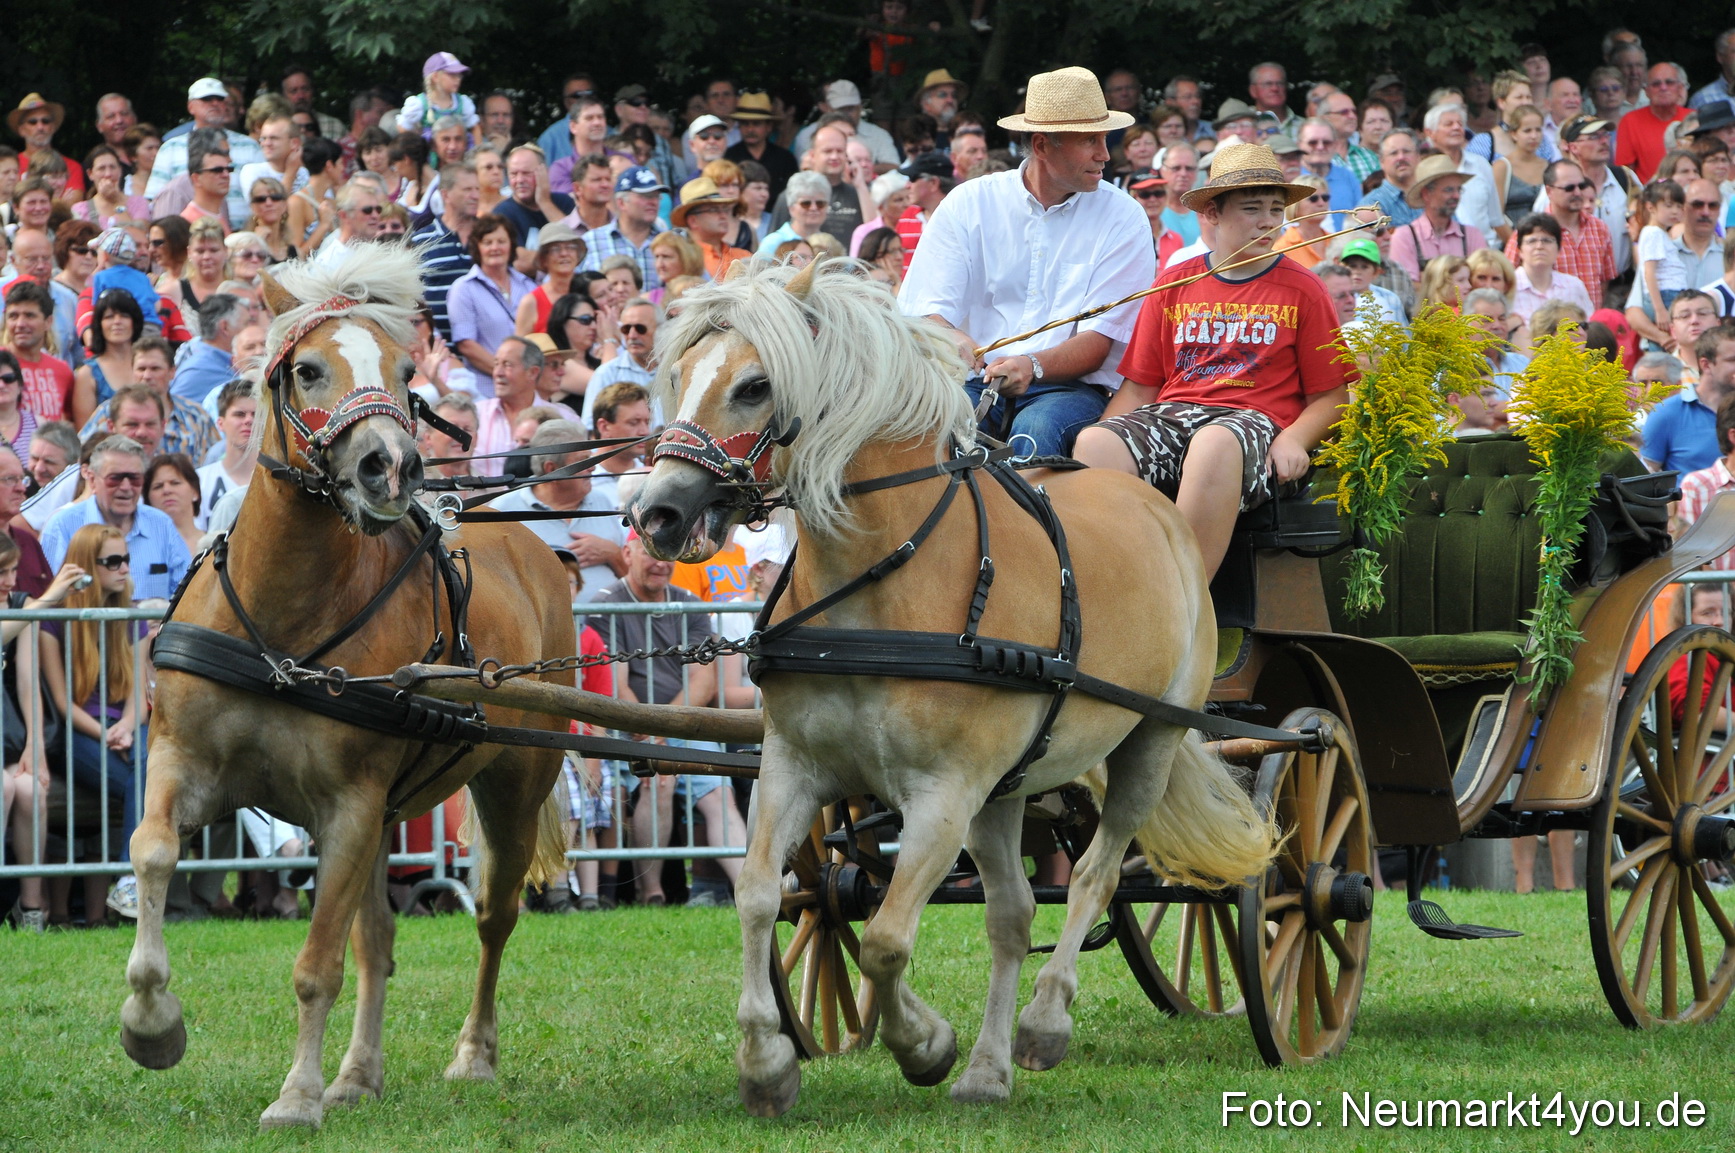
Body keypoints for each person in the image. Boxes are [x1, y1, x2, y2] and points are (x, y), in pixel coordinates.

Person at [1072, 141, 1354, 581]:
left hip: (1255, 423)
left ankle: (1181, 599)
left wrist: (1295, 439)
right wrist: (1104, 432)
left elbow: (1333, 396)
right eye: (1252, 208)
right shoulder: (1173, 283)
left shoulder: (1304, 289)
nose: (1267, 221)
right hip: (1175, 414)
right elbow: (1141, 387)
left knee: (1215, 443)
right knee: (1094, 443)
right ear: (1212, 214)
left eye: (1276, 210)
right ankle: (1105, 586)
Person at [899, 67, 1155, 458]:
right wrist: (959, 342)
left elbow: (1097, 344)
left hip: (1076, 389)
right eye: (1090, 140)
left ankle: (1039, 521)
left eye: (1104, 139)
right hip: (973, 382)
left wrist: (1030, 365)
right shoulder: (968, 203)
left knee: (1036, 432)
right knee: (929, 432)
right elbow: (927, 314)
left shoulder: (1124, 216)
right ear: (1041, 145)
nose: (1105, 154)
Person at [586, 534, 724, 907]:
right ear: (627, 554)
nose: (661, 562)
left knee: (720, 793)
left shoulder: (690, 603)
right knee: (658, 781)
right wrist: (648, 728)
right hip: (624, 725)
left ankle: (750, 887)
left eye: (669, 555)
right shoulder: (605, 604)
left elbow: (704, 679)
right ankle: (654, 893)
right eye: (651, 553)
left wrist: (667, 725)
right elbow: (614, 684)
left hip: (680, 722)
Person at [38, 522, 152, 917]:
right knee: (145, 787)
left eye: (127, 559)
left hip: (128, 726)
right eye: (114, 561)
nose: (124, 568)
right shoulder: (54, 619)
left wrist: (127, 726)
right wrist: (107, 733)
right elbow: (62, 702)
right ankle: (130, 878)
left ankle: (128, 881)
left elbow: (139, 692)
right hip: (79, 732)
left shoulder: (131, 615)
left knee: (150, 764)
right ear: (88, 565)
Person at [40, 433, 189, 601]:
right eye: (115, 479)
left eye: (135, 478)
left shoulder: (161, 524)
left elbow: (187, 592)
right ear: (92, 479)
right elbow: (47, 599)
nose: (126, 487)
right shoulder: (63, 525)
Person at [488, 419, 625, 598]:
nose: (593, 467)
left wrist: (613, 554)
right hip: (540, 625)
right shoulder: (503, 511)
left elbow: (632, 579)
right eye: (582, 462)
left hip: (609, 625)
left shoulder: (602, 501)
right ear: (552, 469)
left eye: (590, 459)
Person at [1504, 158, 1619, 306]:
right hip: (1548, 323)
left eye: (1582, 186)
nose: (1578, 192)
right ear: (1549, 191)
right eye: (1569, 188)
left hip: (1589, 323)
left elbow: (1604, 281)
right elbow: (1508, 279)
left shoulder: (1600, 229)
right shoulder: (1530, 233)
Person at [1626, 179, 1724, 347]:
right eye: (1697, 205)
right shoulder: (1663, 252)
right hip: (1667, 351)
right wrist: (1664, 339)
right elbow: (1634, 313)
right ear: (1685, 208)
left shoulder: (1728, 258)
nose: (1705, 212)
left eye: (1713, 206)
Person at [448, 215, 533, 379]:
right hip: (486, 388)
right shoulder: (463, 288)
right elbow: (466, 345)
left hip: (528, 384)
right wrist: (507, 374)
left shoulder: (528, 285)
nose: (495, 247)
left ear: (511, 245)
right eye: (488, 242)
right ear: (477, 247)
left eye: (501, 241)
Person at [1644, 324, 1735, 474]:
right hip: (1691, 495)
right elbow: (1646, 475)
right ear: (1706, 365)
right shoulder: (1666, 412)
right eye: (1732, 360)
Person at [1388, 155, 1483, 284]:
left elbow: (1481, 281)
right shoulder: (1405, 237)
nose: (1456, 196)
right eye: (1448, 190)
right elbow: (1407, 289)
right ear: (1426, 194)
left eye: (1459, 189)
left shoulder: (1472, 235)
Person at [577, 166, 669, 293]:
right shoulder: (590, 241)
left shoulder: (671, 243)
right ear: (621, 203)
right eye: (646, 196)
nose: (653, 202)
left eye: (656, 196)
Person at [582, 298, 660, 429]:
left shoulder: (674, 370)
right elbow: (591, 427)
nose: (632, 335)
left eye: (640, 328)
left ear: (660, 330)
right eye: (626, 329)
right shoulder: (607, 373)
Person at [3, 281, 72, 424]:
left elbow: (71, 421)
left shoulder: (62, 371)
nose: (20, 324)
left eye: (29, 315)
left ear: (48, 322)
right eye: (13, 316)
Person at [1511, 213, 1593, 323]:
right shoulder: (1508, 287)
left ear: (1559, 249)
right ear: (1520, 250)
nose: (1539, 246)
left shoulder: (1574, 286)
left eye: (1547, 241)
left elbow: (1589, 326)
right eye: (1532, 241)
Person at [1616, 64, 1690, 181]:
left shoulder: (1693, 118)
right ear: (1646, 91)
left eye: (1669, 82)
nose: (1663, 87)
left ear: (1680, 88)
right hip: (1650, 194)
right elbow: (1625, 172)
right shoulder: (1630, 121)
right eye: (1656, 84)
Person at [514, 220, 584, 337]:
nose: (564, 253)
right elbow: (520, 349)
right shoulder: (531, 302)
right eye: (556, 249)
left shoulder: (588, 291)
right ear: (543, 259)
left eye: (570, 247)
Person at [725, 91, 798, 202]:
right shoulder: (730, 157)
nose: (750, 129)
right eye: (745, 124)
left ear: (768, 126)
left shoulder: (785, 158)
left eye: (756, 123)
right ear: (739, 126)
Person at [671, 178, 749, 280]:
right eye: (714, 210)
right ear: (693, 221)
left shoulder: (743, 256)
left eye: (724, 209)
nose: (723, 215)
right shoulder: (684, 260)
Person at [196, 378, 255, 514]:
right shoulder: (200, 482)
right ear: (220, 423)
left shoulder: (277, 482)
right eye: (239, 414)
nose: (248, 420)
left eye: (256, 414)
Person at [1636, 180, 1688, 328]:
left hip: (1669, 294)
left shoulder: (1659, 233)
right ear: (1651, 207)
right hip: (1665, 295)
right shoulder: (1654, 233)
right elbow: (1649, 272)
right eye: (1668, 205)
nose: (1675, 211)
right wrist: (1659, 310)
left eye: (1679, 206)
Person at [397, 52, 479, 142]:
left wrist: (478, 153)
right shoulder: (419, 104)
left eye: (459, 75)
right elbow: (403, 126)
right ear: (435, 77)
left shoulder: (462, 103)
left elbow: (475, 128)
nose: (458, 79)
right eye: (452, 75)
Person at [1356, 129, 1422, 228]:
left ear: (1418, 157)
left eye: (1406, 151)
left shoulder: (1434, 196)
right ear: (1381, 161)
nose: (1401, 157)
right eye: (1393, 153)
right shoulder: (1372, 205)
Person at [312, 177, 382, 267]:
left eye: (378, 209)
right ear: (344, 215)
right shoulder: (328, 261)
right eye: (367, 210)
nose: (375, 215)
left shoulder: (380, 252)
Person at [145, 452, 203, 552]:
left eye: (175, 483)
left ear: (195, 492)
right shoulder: (141, 547)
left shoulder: (214, 544)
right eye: (158, 486)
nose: (166, 490)